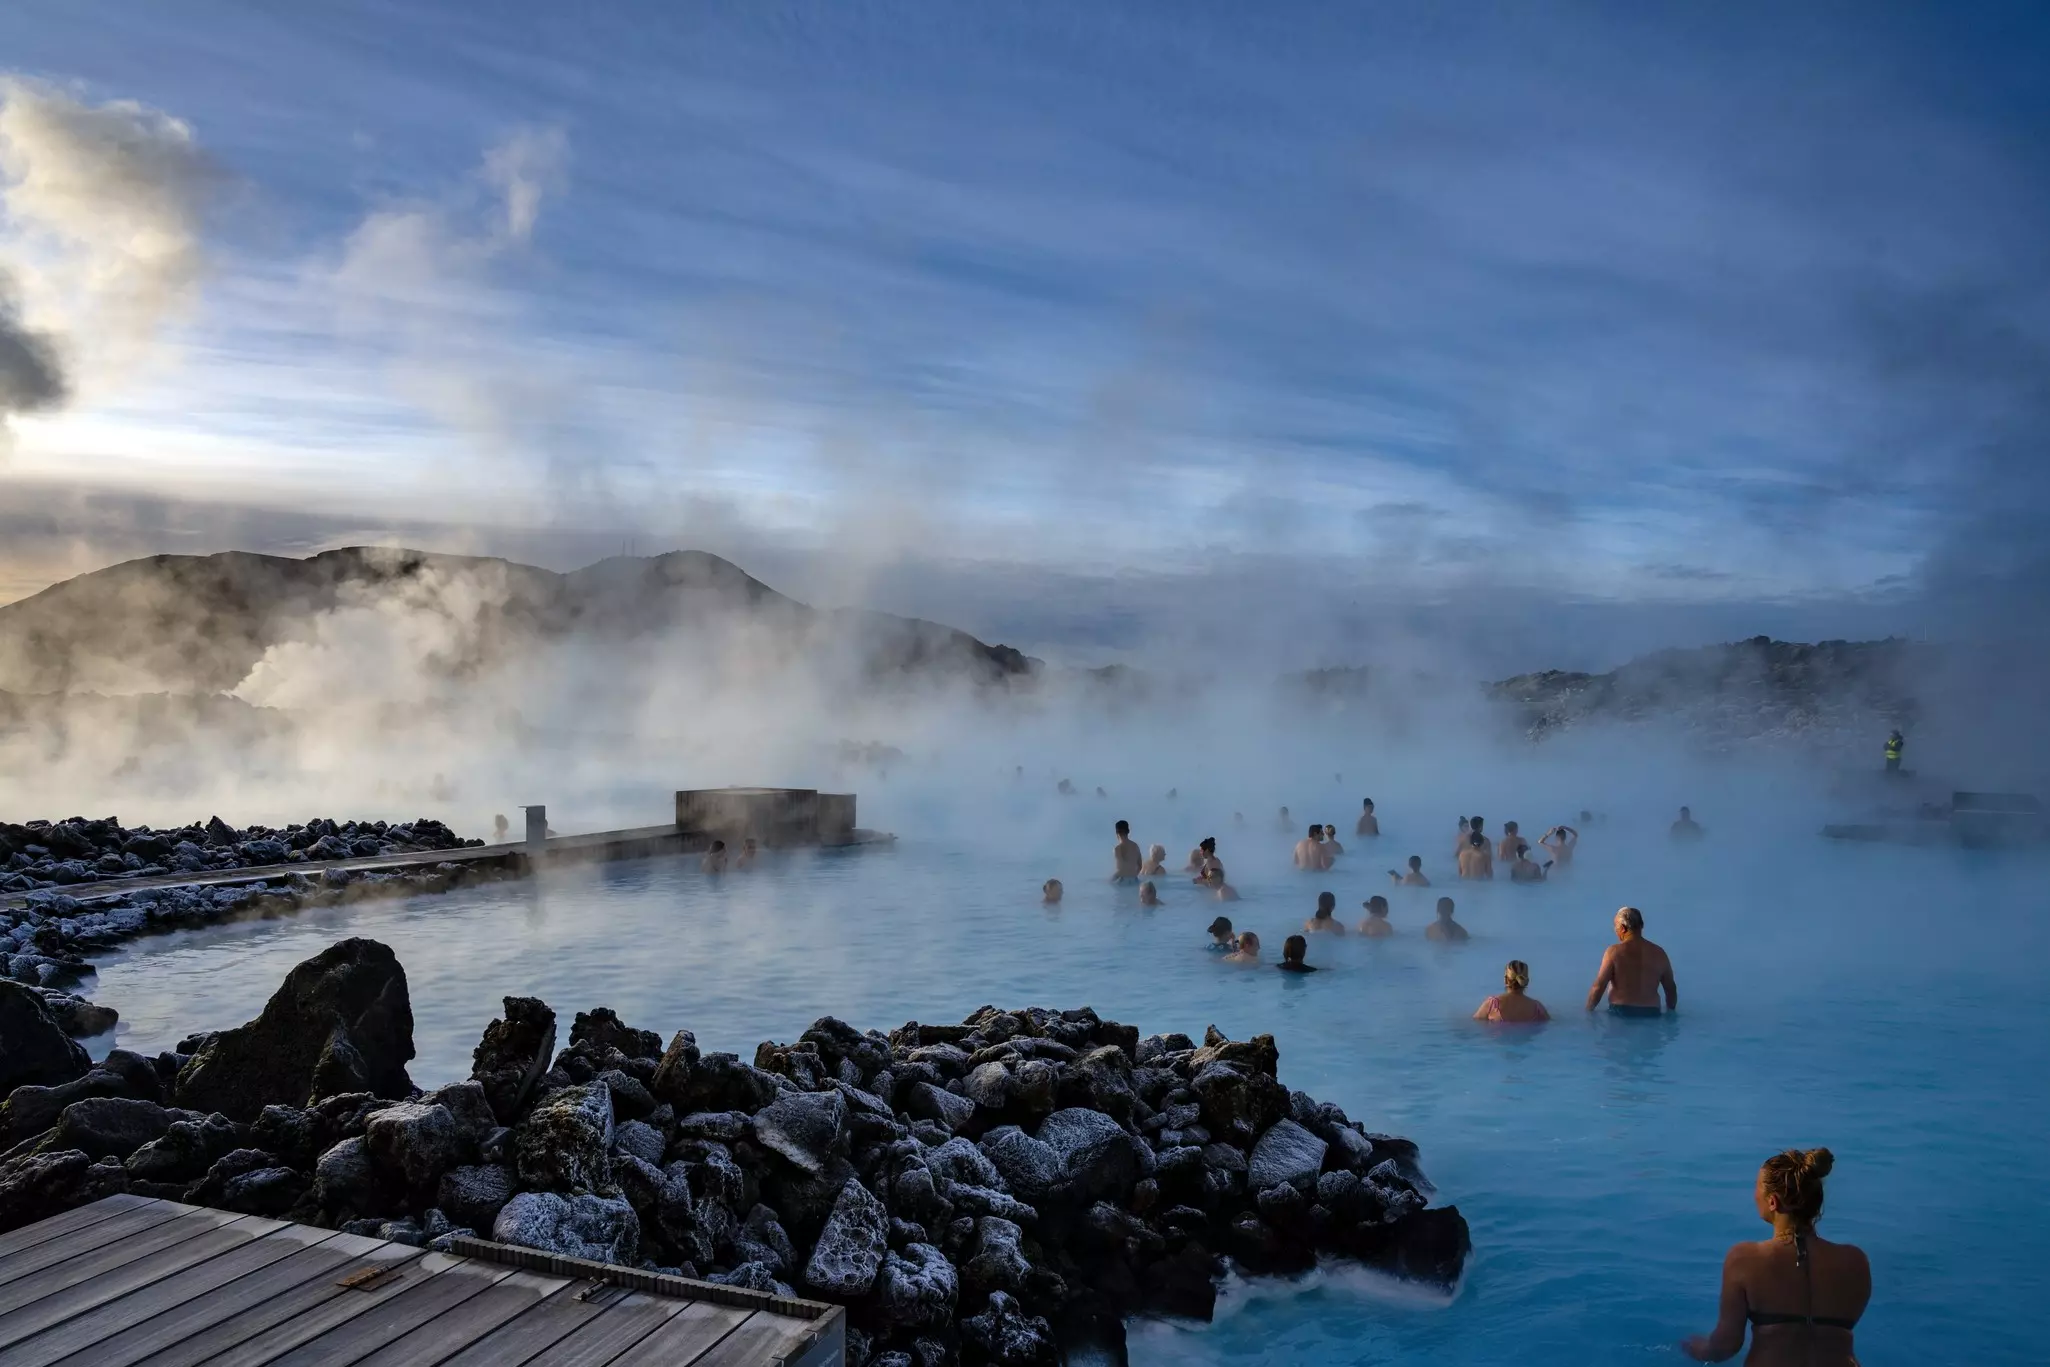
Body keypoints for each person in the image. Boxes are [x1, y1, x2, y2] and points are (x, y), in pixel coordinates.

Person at [1682, 1148, 1869, 1365]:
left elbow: (1726, 1345)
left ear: (1773, 1201)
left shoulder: (1743, 1259)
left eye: (1756, 1187)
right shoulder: (1856, 1261)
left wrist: (1697, 1348)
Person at [1586, 906, 1677, 1016]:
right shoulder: (1660, 953)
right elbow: (1671, 988)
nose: (1616, 931)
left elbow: (1599, 986)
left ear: (1623, 928)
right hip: (1651, 1013)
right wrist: (1671, 1012)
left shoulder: (1613, 952)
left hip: (1621, 1012)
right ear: (1641, 925)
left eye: (1616, 927)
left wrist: (1588, 1012)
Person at [1474, 960, 1549, 1022]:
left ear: (1505, 980)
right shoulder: (1537, 1008)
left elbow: (1475, 1023)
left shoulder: (1492, 1004)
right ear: (1527, 981)